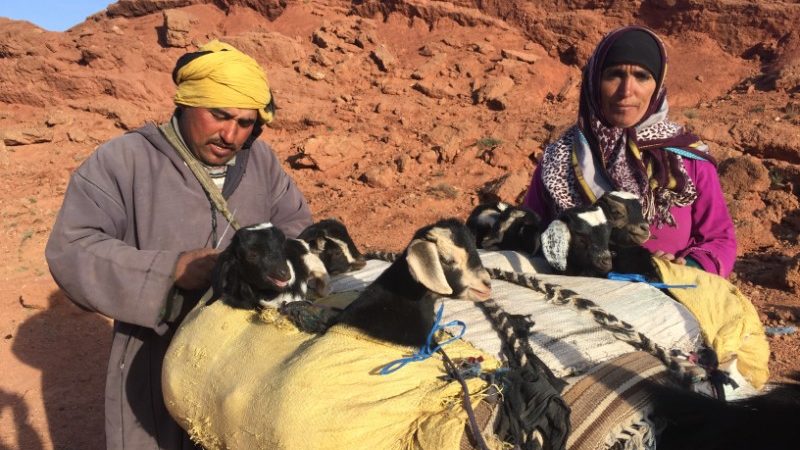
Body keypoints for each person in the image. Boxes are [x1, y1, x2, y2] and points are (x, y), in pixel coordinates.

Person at [45, 40, 312, 449]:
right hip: (158, 350)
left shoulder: (260, 161)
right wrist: (171, 271)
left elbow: (295, 225)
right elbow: (72, 247)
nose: (230, 134)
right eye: (219, 116)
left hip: (246, 349)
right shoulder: (124, 161)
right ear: (187, 103)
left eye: (244, 123)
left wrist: (272, 265)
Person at [523, 26, 736, 278]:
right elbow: (530, 236)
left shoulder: (687, 159)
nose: (626, 91)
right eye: (614, 75)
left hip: (667, 297)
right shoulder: (559, 159)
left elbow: (719, 239)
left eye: (642, 76)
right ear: (594, 81)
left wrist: (684, 268)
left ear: (657, 86)